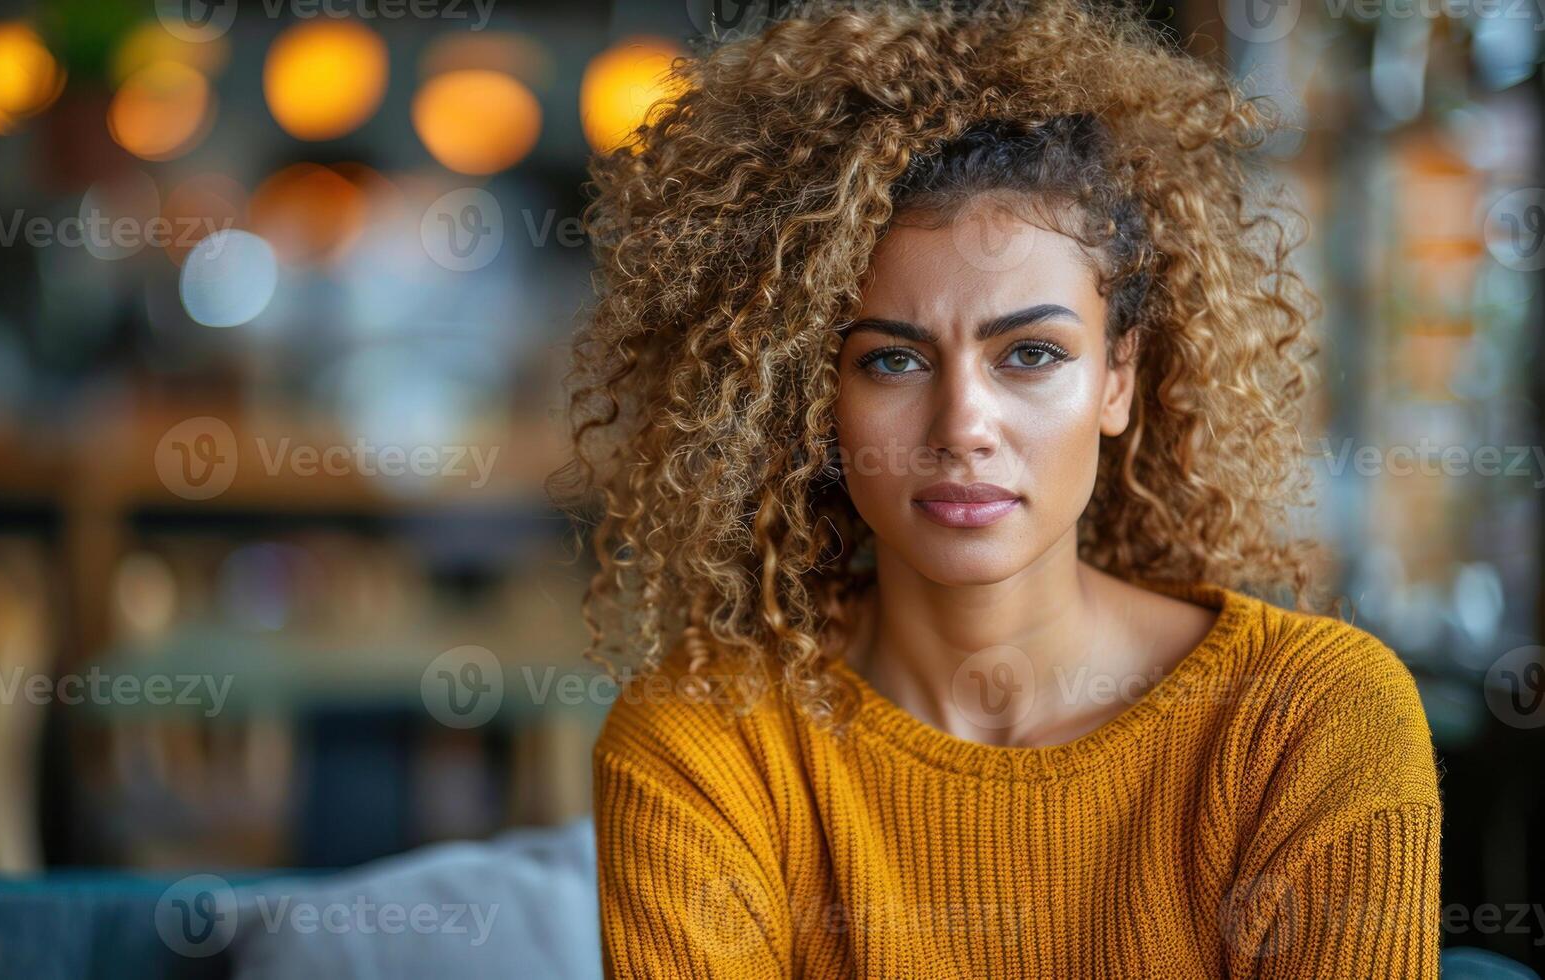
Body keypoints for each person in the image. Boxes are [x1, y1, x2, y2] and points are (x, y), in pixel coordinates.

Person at [550, 1, 1442, 976]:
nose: (963, 425)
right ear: (811, 392)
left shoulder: (1309, 718)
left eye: (1029, 352)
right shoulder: (704, 745)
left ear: (1118, 377)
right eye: (891, 361)